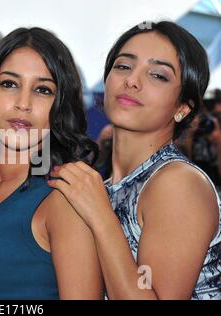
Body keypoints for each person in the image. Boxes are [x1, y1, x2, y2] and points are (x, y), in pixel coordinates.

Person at [49, 21, 221, 299]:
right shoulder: (99, 186)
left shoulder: (178, 183)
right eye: (123, 66)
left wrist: (100, 215)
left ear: (182, 107)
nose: (132, 81)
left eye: (158, 75)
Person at [0, 27, 103, 300]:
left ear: (60, 105)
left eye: (42, 89)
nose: (23, 103)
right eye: (9, 84)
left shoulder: (64, 198)